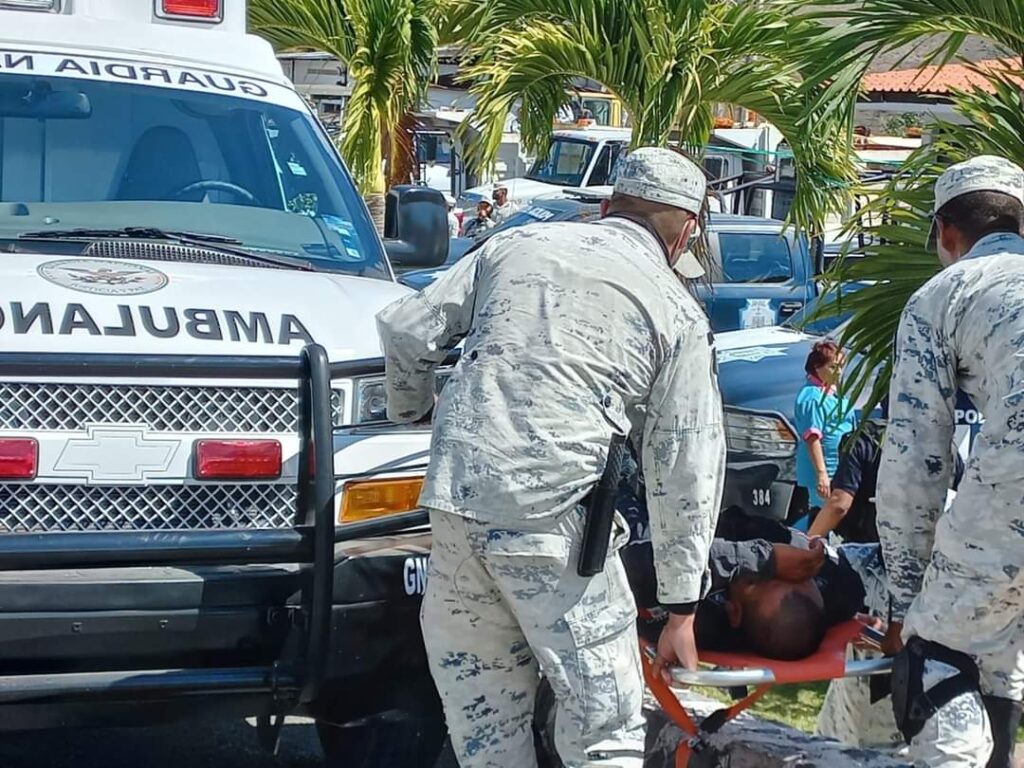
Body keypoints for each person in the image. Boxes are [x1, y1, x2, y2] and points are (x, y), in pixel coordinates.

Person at [376, 147, 725, 768]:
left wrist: (413, 408)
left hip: (457, 510)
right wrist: (681, 606)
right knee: (605, 732)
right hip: (558, 527)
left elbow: (407, 328)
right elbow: (685, 466)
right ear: (687, 233)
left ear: (609, 205)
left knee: (486, 729)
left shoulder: (514, 246)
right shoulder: (676, 310)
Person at [876, 155, 1024, 768]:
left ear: (944, 230)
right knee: (1002, 655)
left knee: (935, 657)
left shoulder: (946, 293)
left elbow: (915, 461)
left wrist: (908, 597)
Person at [808, 417, 966, 543]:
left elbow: (839, 504)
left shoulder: (864, 438)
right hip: (934, 546)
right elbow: (963, 500)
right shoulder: (944, 445)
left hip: (877, 547)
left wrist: (806, 545)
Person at [793, 340, 856, 527]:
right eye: (833, 367)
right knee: (823, 516)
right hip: (825, 468)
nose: (839, 372)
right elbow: (812, 438)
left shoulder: (832, 390)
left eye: (841, 367)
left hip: (841, 464)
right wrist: (822, 475)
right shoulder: (812, 398)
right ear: (816, 367)